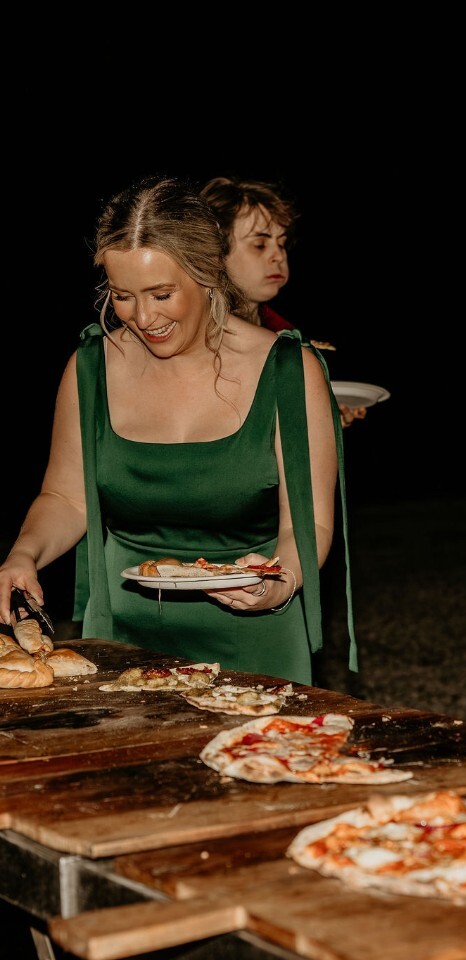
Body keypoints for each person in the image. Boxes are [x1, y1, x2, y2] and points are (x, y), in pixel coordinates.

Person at [0, 176, 357, 685]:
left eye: (162, 294)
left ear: (208, 273)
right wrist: (24, 553)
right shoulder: (90, 367)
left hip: (254, 639)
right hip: (121, 642)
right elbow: (66, 497)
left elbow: (309, 525)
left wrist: (279, 582)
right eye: (122, 296)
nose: (143, 317)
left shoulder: (288, 370)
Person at [200, 175, 367, 428]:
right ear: (214, 253)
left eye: (282, 243)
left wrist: (326, 419)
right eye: (260, 244)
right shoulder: (197, 336)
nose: (278, 255)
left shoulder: (285, 333)